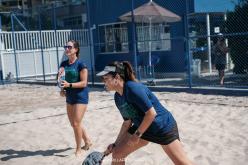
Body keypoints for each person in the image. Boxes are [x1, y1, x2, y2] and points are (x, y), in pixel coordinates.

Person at [96, 61, 194, 165]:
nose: (103, 82)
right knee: (117, 153)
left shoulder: (133, 88)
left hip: (161, 127)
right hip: (142, 127)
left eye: (105, 78)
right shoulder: (118, 97)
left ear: (116, 78)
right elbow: (127, 123)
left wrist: (137, 135)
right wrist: (115, 144)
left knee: (182, 163)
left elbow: (151, 114)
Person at [57, 40, 92, 156]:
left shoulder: (81, 64)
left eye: (69, 47)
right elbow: (61, 80)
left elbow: (84, 83)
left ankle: (78, 149)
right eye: (65, 47)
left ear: (76, 49)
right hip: (69, 96)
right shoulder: (63, 64)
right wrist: (62, 90)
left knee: (76, 123)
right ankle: (87, 141)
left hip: (81, 96)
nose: (67, 49)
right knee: (74, 124)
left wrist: (69, 85)